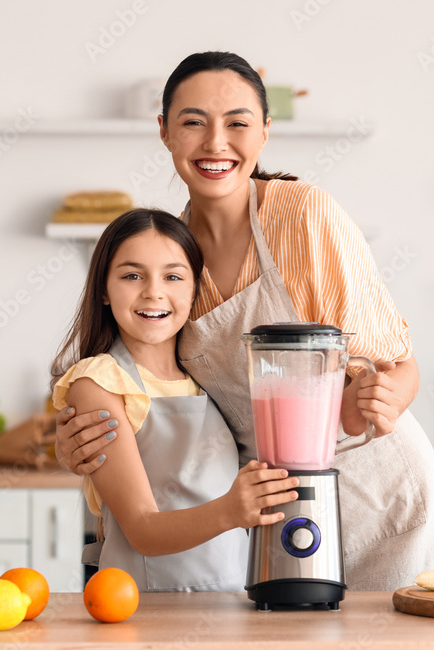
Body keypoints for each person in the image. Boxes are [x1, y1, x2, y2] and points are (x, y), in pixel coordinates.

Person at [56, 52, 434, 591]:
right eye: (193, 122)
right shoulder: (172, 262)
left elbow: (398, 364)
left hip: (381, 493)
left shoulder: (304, 215)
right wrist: (78, 448)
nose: (215, 143)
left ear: (266, 132)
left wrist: (387, 396)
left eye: (238, 123)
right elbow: (146, 391)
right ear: (164, 132)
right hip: (266, 513)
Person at [50, 208, 299, 592]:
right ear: (103, 288)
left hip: (230, 604)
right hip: (145, 611)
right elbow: (142, 530)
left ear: (194, 288)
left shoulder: (209, 379)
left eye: (172, 276)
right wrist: (233, 510)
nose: (153, 291)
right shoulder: (99, 382)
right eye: (132, 276)